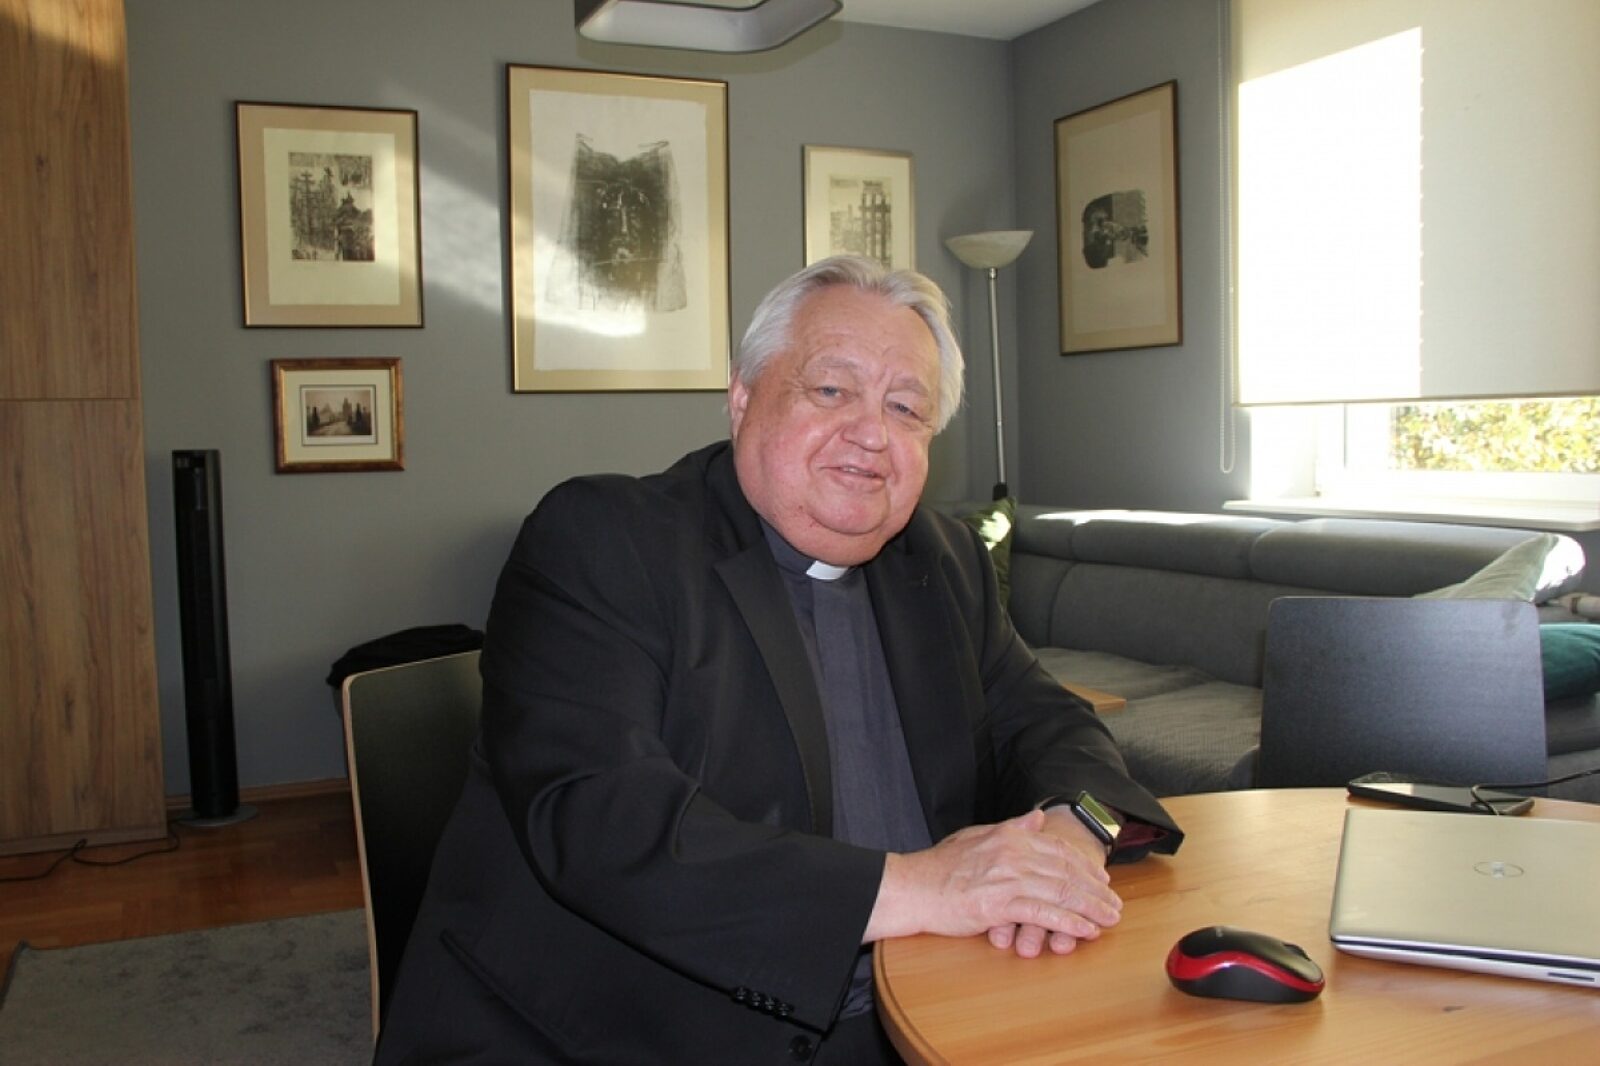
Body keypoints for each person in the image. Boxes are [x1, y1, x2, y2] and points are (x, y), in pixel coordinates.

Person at [375, 255, 1183, 1064]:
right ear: (742, 397)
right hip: (630, 1033)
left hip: (919, 998)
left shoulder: (942, 560)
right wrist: (922, 886)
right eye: (831, 390)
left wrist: (1076, 827)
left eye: (906, 408)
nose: (871, 433)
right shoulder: (606, 539)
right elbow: (604, 821)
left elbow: (1050, 723)